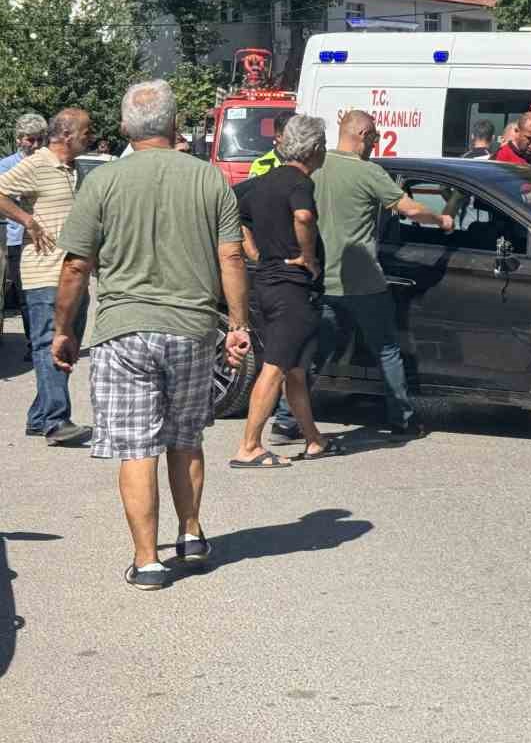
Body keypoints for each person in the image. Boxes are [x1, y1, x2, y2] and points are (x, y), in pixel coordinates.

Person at [51, 80, 251, 589]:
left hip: (124, 332)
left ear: (123, 128)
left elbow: (76, 266)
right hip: (191, 329)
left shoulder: (102, 182)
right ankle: (191, 535)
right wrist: (238, 324)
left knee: (137, 446)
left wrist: (63, 330)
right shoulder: (211, 180)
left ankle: (147, 561)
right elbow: (231, 256)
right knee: (185, 437)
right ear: (175, 123)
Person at [274, 110, 453, 443]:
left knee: (313, 355)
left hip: (320, 280)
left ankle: (286, 419)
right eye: (375, 138)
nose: (376, 143)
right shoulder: (368, 172)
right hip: (364, 282)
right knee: (387, 350)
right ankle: (401, 420)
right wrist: (441, 221)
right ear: (362, 134)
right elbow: (410, 209)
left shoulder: (314, 168)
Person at [230, 115, 341, 469]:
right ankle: (249, 446)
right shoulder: (299, 183)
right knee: (275, 368)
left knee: (294, 369)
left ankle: (313, 439)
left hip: (267, 283)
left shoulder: (260, 183)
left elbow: (231, 210)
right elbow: (304, 218)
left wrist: (254, 251)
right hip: (291, 290)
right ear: (314, 149)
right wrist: (307, 256)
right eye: (323, 144)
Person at [0, 108, 95, 445]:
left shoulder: (74, 169)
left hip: (73, 273)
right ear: (67, 134)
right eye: (86, 130)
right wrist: (26, 219)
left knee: (66, 343)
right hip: (43, 271)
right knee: (47, 344)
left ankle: (39, 416)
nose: (91, 135)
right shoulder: (38, 163)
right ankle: (56, 421)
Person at [0, 112, 48, 356]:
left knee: (45, 294)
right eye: (31, 140)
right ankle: (34, 343)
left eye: (41, 139)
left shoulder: (48, 163)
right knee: (25, 296)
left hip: (46, 240)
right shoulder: (7, 166)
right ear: (19, 139)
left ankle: (45, 341)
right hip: (17, 240)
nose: (37, 145)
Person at [248, 108, 298, 177]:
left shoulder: (303, 163)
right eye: (293, 134)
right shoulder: (261, 165)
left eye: (300, 134)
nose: (298, 138)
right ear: (279, 136)